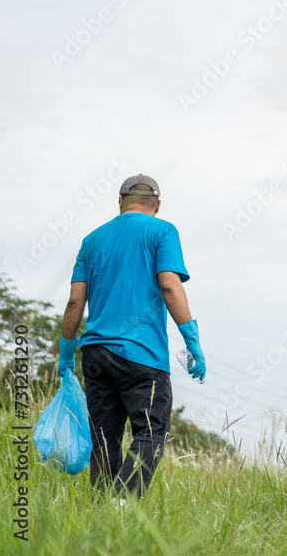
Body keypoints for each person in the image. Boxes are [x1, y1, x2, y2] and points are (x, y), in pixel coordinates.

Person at [59, 174, 205, 499]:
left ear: (120, 201)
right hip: (142, 354)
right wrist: (192, 340)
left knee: (103, 436)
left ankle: (101, 511)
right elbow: (169, 285)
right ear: (158, 205)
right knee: (150, 432)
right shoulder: (162, 231)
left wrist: (66, 356)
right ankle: (122, 505)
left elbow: (74, 302)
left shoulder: (92, 240)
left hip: (95, 354)